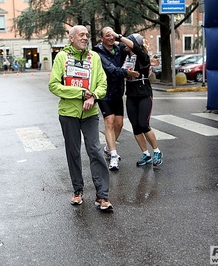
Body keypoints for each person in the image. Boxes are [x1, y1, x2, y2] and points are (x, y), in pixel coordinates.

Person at [49, 25, 113, 211]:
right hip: (68, 113)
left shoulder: (94, 57)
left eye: (87, 35)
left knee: (95, 150)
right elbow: (53, 85)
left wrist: (93, 96)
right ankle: (78, 190)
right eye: (81, 35)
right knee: (73, 152)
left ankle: (102, 195)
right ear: (71, 38)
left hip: (90, 113)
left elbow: (103, 83)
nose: (85, 38)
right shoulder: (62, 57)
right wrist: (80, 93)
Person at [113, 31, 163, 167]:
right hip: (131, 95)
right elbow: (117, 45)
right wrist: (111, 37)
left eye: (128, 42)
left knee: (143, 124)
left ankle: (157, 151)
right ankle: (146, 154)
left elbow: (134, 47)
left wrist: (119, 36)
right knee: (135, 126)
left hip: (144, 94)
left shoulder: (142, 56)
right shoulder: (125, 55)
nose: (125, 44)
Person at [93, 27, 139, 171]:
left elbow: (135, 48)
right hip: (104, 92)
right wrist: (127, 72)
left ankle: (108, 147)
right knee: (110, 121)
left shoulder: (119, 49)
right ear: (102, 38)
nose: (111, 37)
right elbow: (111, 69)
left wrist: (120, 36)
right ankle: (114, 156)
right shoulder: (98, 53)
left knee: (119, 124)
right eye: (108, 35)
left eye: (113, 35)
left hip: (118, 92)